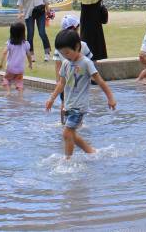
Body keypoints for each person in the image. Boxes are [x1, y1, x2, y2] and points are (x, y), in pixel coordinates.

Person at [45, 29, 117, 159]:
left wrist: (110, 98)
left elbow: (100, 81)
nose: (65, 56)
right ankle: (91, 151)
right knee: (71, 134)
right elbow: (61, 83)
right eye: (62, 53)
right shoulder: (66, 63)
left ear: (77, 47)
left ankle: (68, 160)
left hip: (79, 106)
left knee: (67, 133)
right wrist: (51, 99)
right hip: (68, 105)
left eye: (67, 52)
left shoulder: (86, 63)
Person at [19, 0, 52, 64]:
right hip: (29, 12)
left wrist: (48, 10)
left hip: (40, 10)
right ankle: (31, 54)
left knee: (42, 32)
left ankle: (47, 53)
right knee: (30, 34)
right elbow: (20, 1)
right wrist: (21, 13)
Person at [0, 21, 33, 97]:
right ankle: (20, 96)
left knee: (6, 79)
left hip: (10, 67)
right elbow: (29, 55)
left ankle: (8, 92)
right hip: (20, 68)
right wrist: (30, 64)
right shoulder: (25, 43)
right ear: (23, 32)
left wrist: (1, 63)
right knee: (19, 81)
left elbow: (4, 52)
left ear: (11, 33)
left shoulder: (10, 43)